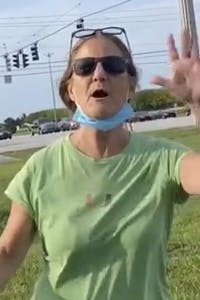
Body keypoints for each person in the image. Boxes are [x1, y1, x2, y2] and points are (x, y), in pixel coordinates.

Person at [0, 26, 200, 300]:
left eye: (114, 65)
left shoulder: (163, 158)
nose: (99, 74)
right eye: (84, 67)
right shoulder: (39, 168)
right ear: (70, 89)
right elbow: (8, 254)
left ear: (131, 86)